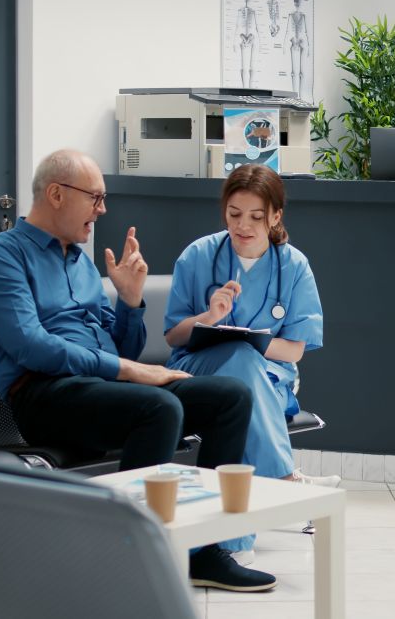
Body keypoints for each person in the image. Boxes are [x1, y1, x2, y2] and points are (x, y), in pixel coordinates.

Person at [0, 149, 276, 592]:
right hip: (42, 395)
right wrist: (129, 371)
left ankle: (203, 552)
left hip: (99, 389)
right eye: (95, 197)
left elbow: (119, 345)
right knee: (158, 406)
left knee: (229, 397)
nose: (102, 209)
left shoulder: (82, 263)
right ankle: (126, 560)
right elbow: (31, 347)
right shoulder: (1, 258)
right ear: (56, 194)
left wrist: (129, 302)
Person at [164, 164, 328, 560]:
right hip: (197, 370)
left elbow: (294, 350)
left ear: (275, 216)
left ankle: (235, 544)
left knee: (240, 381)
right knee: (236, 374)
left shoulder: (293, 266)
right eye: (234, 214)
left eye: (256, 217)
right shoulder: (198, 255)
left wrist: (249, 342)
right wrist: (209, 319)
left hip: (272, 377)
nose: (243, 226)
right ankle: (284, 479)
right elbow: (173, 336)